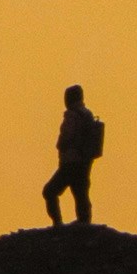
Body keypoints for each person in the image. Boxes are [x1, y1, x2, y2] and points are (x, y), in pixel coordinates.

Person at [43, 84, 106, 227]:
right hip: (84, 161)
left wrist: (61, 145)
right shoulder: (88, 114)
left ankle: (58, 223)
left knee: (49, 191)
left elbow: (65, 138)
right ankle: (84, 222)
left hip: (70, 162)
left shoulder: (72, 115)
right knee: (80, 192)